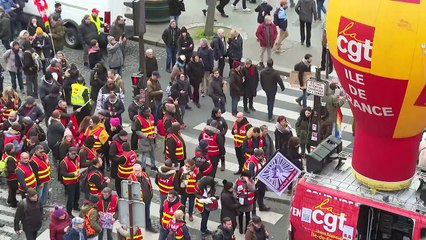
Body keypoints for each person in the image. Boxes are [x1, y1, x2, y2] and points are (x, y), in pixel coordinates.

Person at [130, 164, 158, 233]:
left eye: (139, 170)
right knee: (136, 216)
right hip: (138, 202)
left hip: (147, 199)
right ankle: (136, 230)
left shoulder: (145, 175)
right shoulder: (130, 179)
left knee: (147, 214)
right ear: (133, 171)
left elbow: (149, 184)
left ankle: (148, 227)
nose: (138, 172)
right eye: (136, 171)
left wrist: (151, 194)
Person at [243, 148, 270, 214]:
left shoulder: (262, 159)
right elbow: (251, 175)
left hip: (261, 180)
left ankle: (261, 206)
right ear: (257, 156)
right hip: (255, 182)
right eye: (262, 155)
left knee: (262, 193)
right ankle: (253, 212)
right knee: (254, 198)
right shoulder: (251, 163)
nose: (263, 156)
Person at [135, 105, 157, 170]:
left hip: (152, 139)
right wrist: (147, 136)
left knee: (152, 154)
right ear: (143, 112)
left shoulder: (151, 116)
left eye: (149, 111)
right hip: (144, 140)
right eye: (147, 112)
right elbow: (137, 131)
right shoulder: (139, 120)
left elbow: (154, 126)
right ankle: (143, 167)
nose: (149, 113)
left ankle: (153, 166)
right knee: (144, 155)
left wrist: (155, 133)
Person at [60, 147, 81, 216]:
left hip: (77, 180)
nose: (74, 155)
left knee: (77, 195)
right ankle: (69, 212)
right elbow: (63, 173)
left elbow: (78, 166)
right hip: (69, 183)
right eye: (72, 154)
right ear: (68, 153)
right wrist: (73, 174)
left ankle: (75, 207)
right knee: (70, 198)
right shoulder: (64, 162)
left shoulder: (77, 158)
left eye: (75, 153)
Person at [4, 143, 18, 208]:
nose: (14, 148)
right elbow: (10, 169)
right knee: (13, 191)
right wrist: (17, 169)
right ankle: (13, 204)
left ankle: (10, 201)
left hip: (8, 178)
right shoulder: (10, 159)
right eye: (13, 148)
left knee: (11, 190)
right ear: (11, 150)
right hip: (12, 178)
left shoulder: (5, 155)